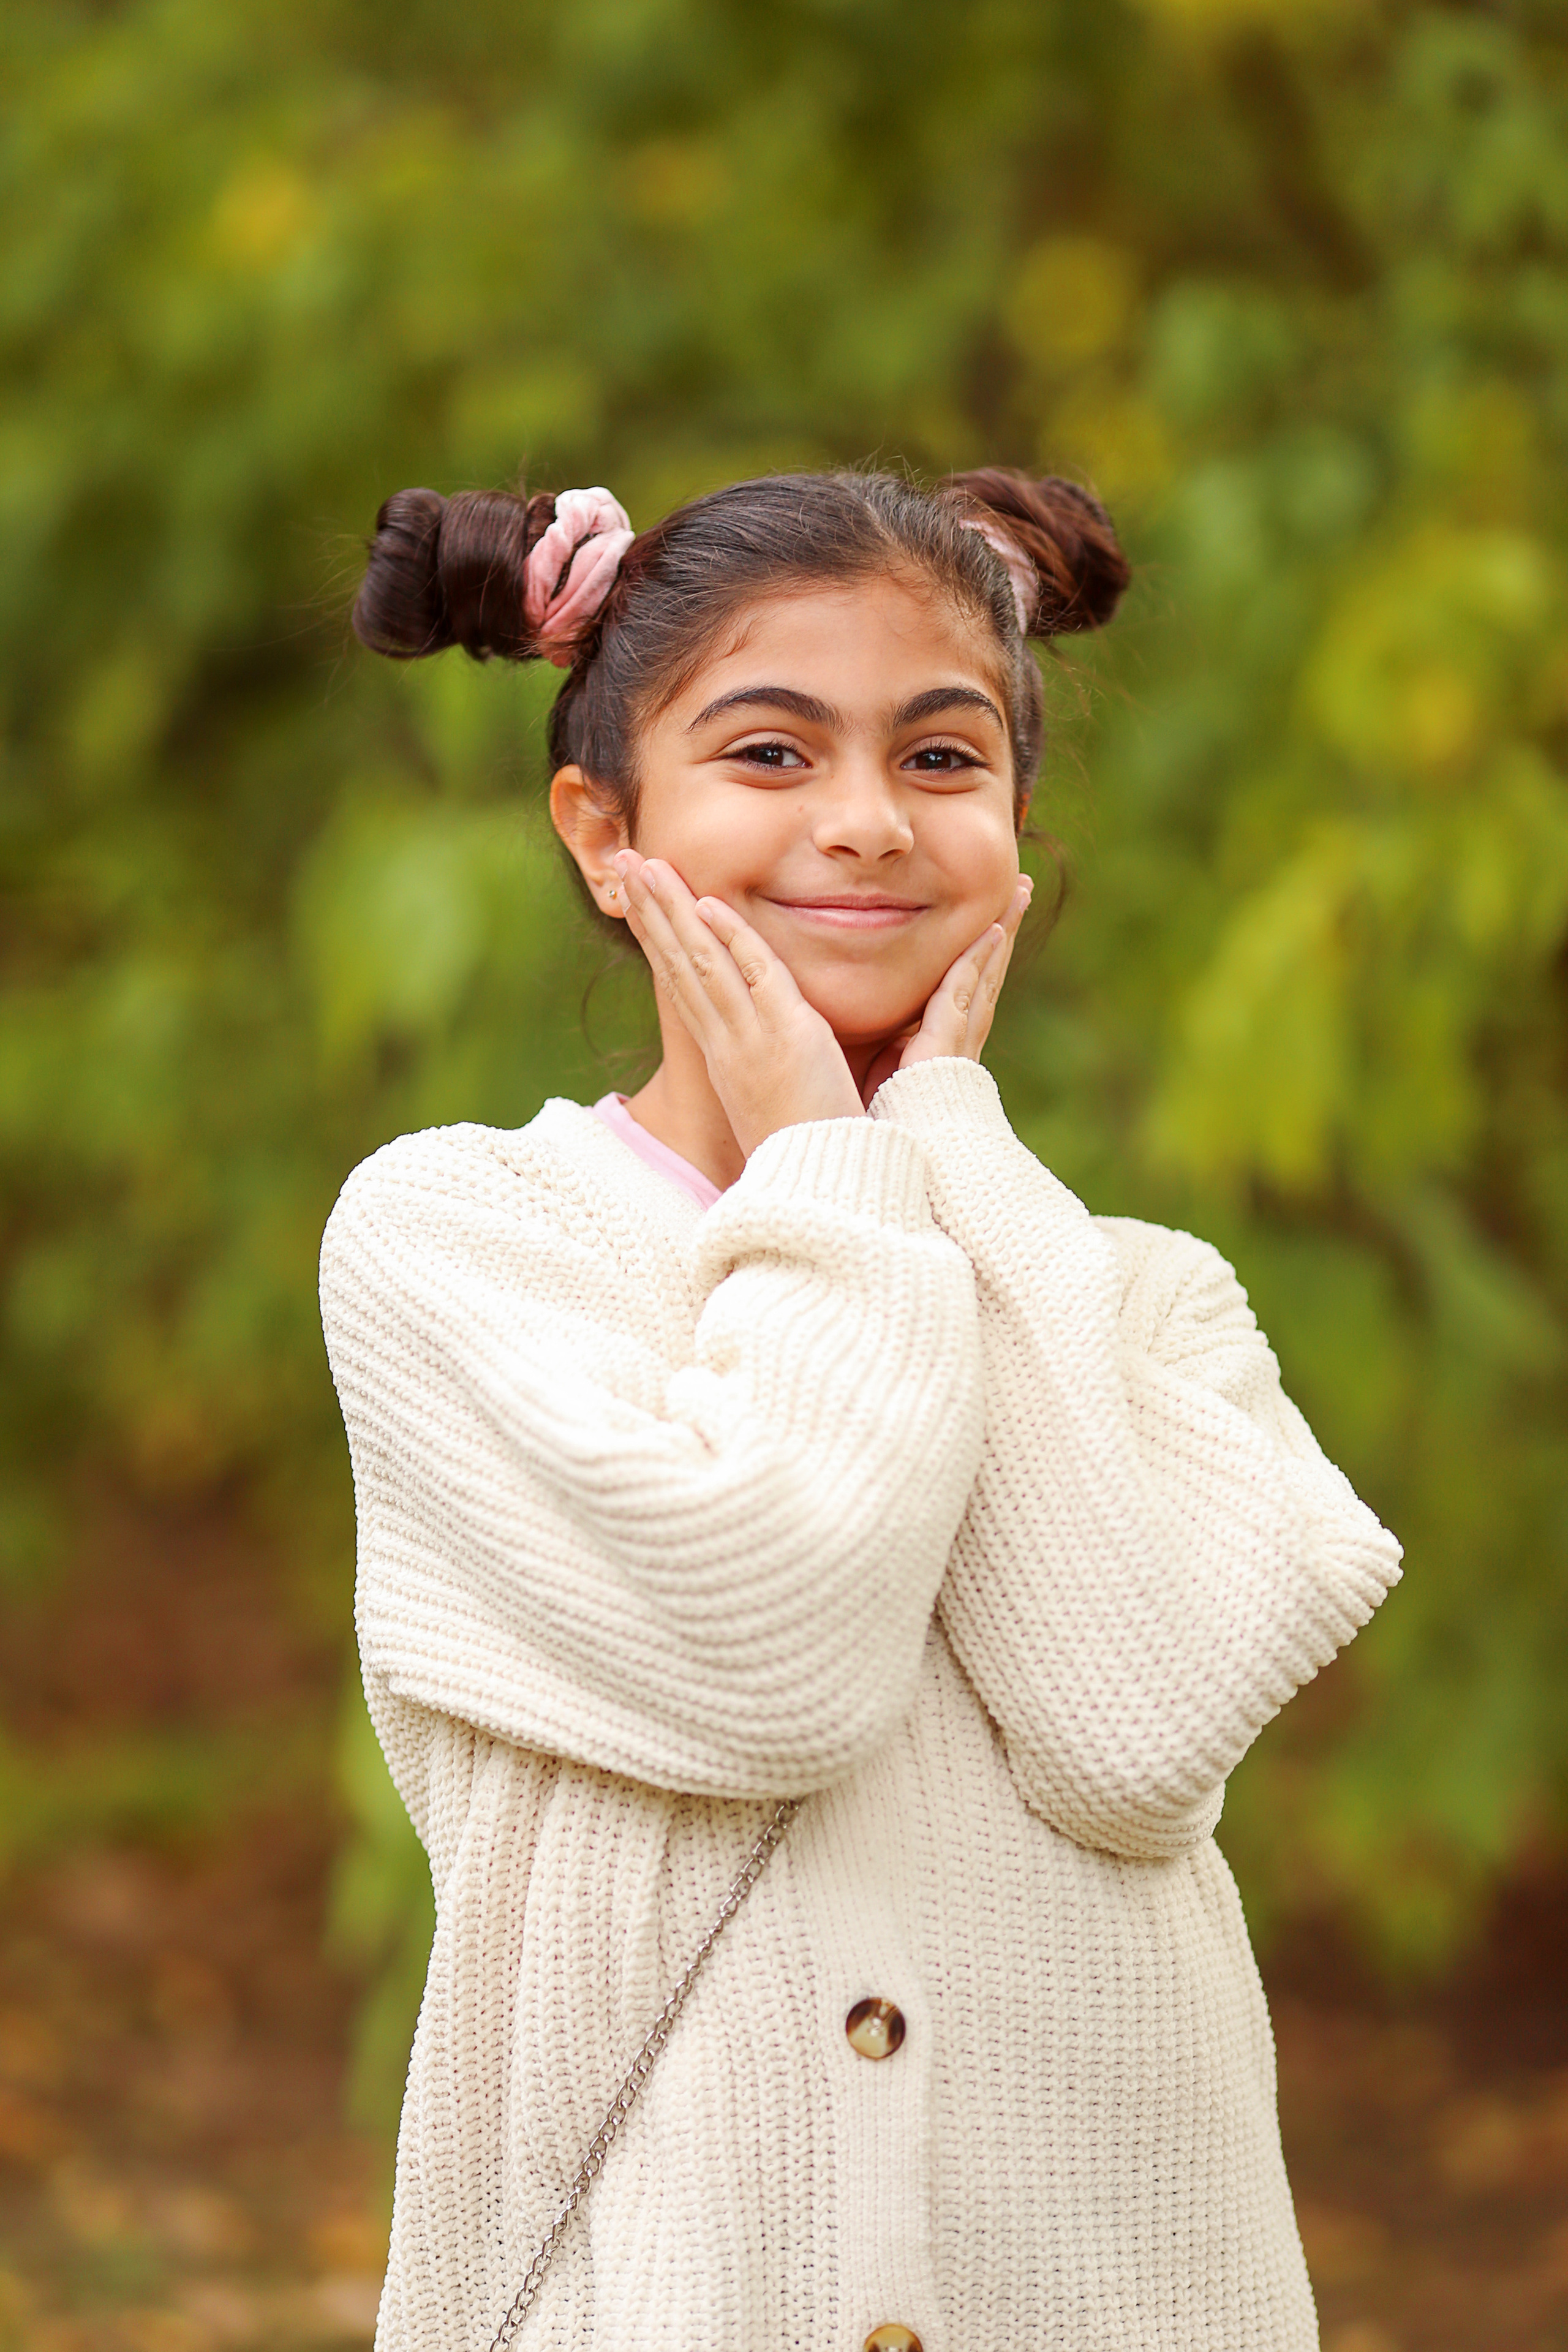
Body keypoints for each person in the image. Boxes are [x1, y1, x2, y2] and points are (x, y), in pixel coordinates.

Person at [320, 466, 1402, 2352]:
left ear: (1017, 832)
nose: (863, 826)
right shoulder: (462, 1240)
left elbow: (1133, 1739)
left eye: (941, 760)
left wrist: (928, 1159)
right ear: (604, 830)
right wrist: (832, 1167)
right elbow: (774, 1652)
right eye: (766, 752)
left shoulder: (1143, 1301)